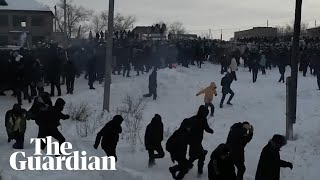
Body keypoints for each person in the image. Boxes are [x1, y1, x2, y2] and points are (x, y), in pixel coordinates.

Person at [183, 105, 214, 176]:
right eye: (206, 113)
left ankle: (187, 166)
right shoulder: (203, 120)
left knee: (193, 156)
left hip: (191, 141)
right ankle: (198, 171)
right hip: (196, 142)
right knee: (201, 155)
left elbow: (186, 123)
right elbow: (206, 128)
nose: (206, 115)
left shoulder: (193, 118)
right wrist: (211, 131)